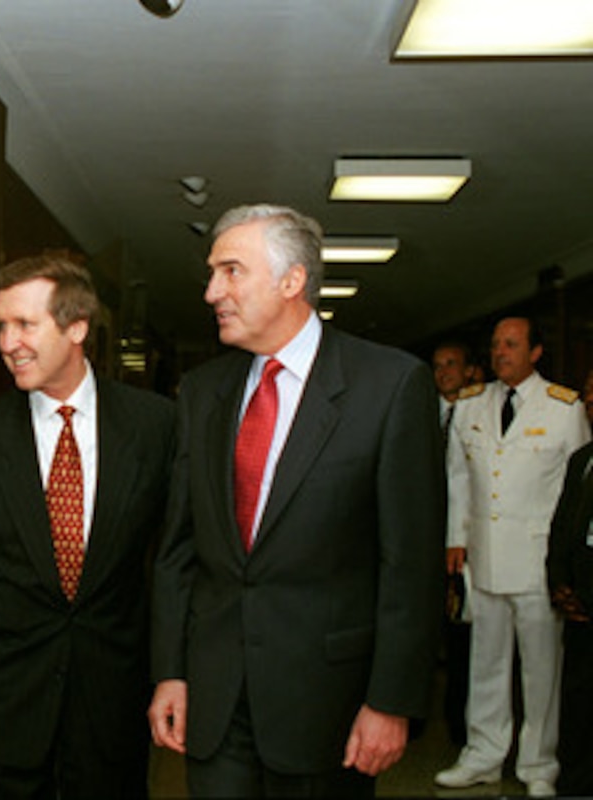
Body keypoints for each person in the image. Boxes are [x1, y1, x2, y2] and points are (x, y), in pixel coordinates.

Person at [148, 204, 445, 798]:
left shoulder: (390, 386)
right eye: (211, 273)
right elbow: (179, 548)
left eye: (231, 271)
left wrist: (391, 702)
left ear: (292, 281)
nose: (211, 292)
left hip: (326, 703)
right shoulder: (204, 393)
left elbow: (409, 564)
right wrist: (171, 671)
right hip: (216, 693)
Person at [0, 255, 175, 799]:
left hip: (113, 701)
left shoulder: (156, 427)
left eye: (25, 325)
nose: (8, 343)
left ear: (77, 327)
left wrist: (173, 674)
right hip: (7, 703)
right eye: (2, 327)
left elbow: (174, 561)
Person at [436, 317, 590, 797]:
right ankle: (482, 754)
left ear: (536, 352)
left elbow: (581, 492)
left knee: (541, 669)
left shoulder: (564, 408)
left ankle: (538, 763)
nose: (501, 352)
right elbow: (458, 476)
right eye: (497, 345)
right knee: (486, 662)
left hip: (538, 560)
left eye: (512, 344)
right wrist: (454, 538)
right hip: (484, 555)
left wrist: (568, 564)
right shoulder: (471, 404)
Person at [432, 340, 476, 746]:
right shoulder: (422, 416)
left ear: (469, 371)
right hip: (425, 541)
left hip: (465, 546)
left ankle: (460, 726)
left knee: (464, 637)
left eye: (452, 365)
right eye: (438, 366)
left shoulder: (480, 415)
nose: (444, 372)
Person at [546, 439, 593, 797]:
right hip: (578, 603)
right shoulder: (583, 459)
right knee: (578, 702)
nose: (592, 404)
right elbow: (562, 523)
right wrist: (559, 580)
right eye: (589, 398)